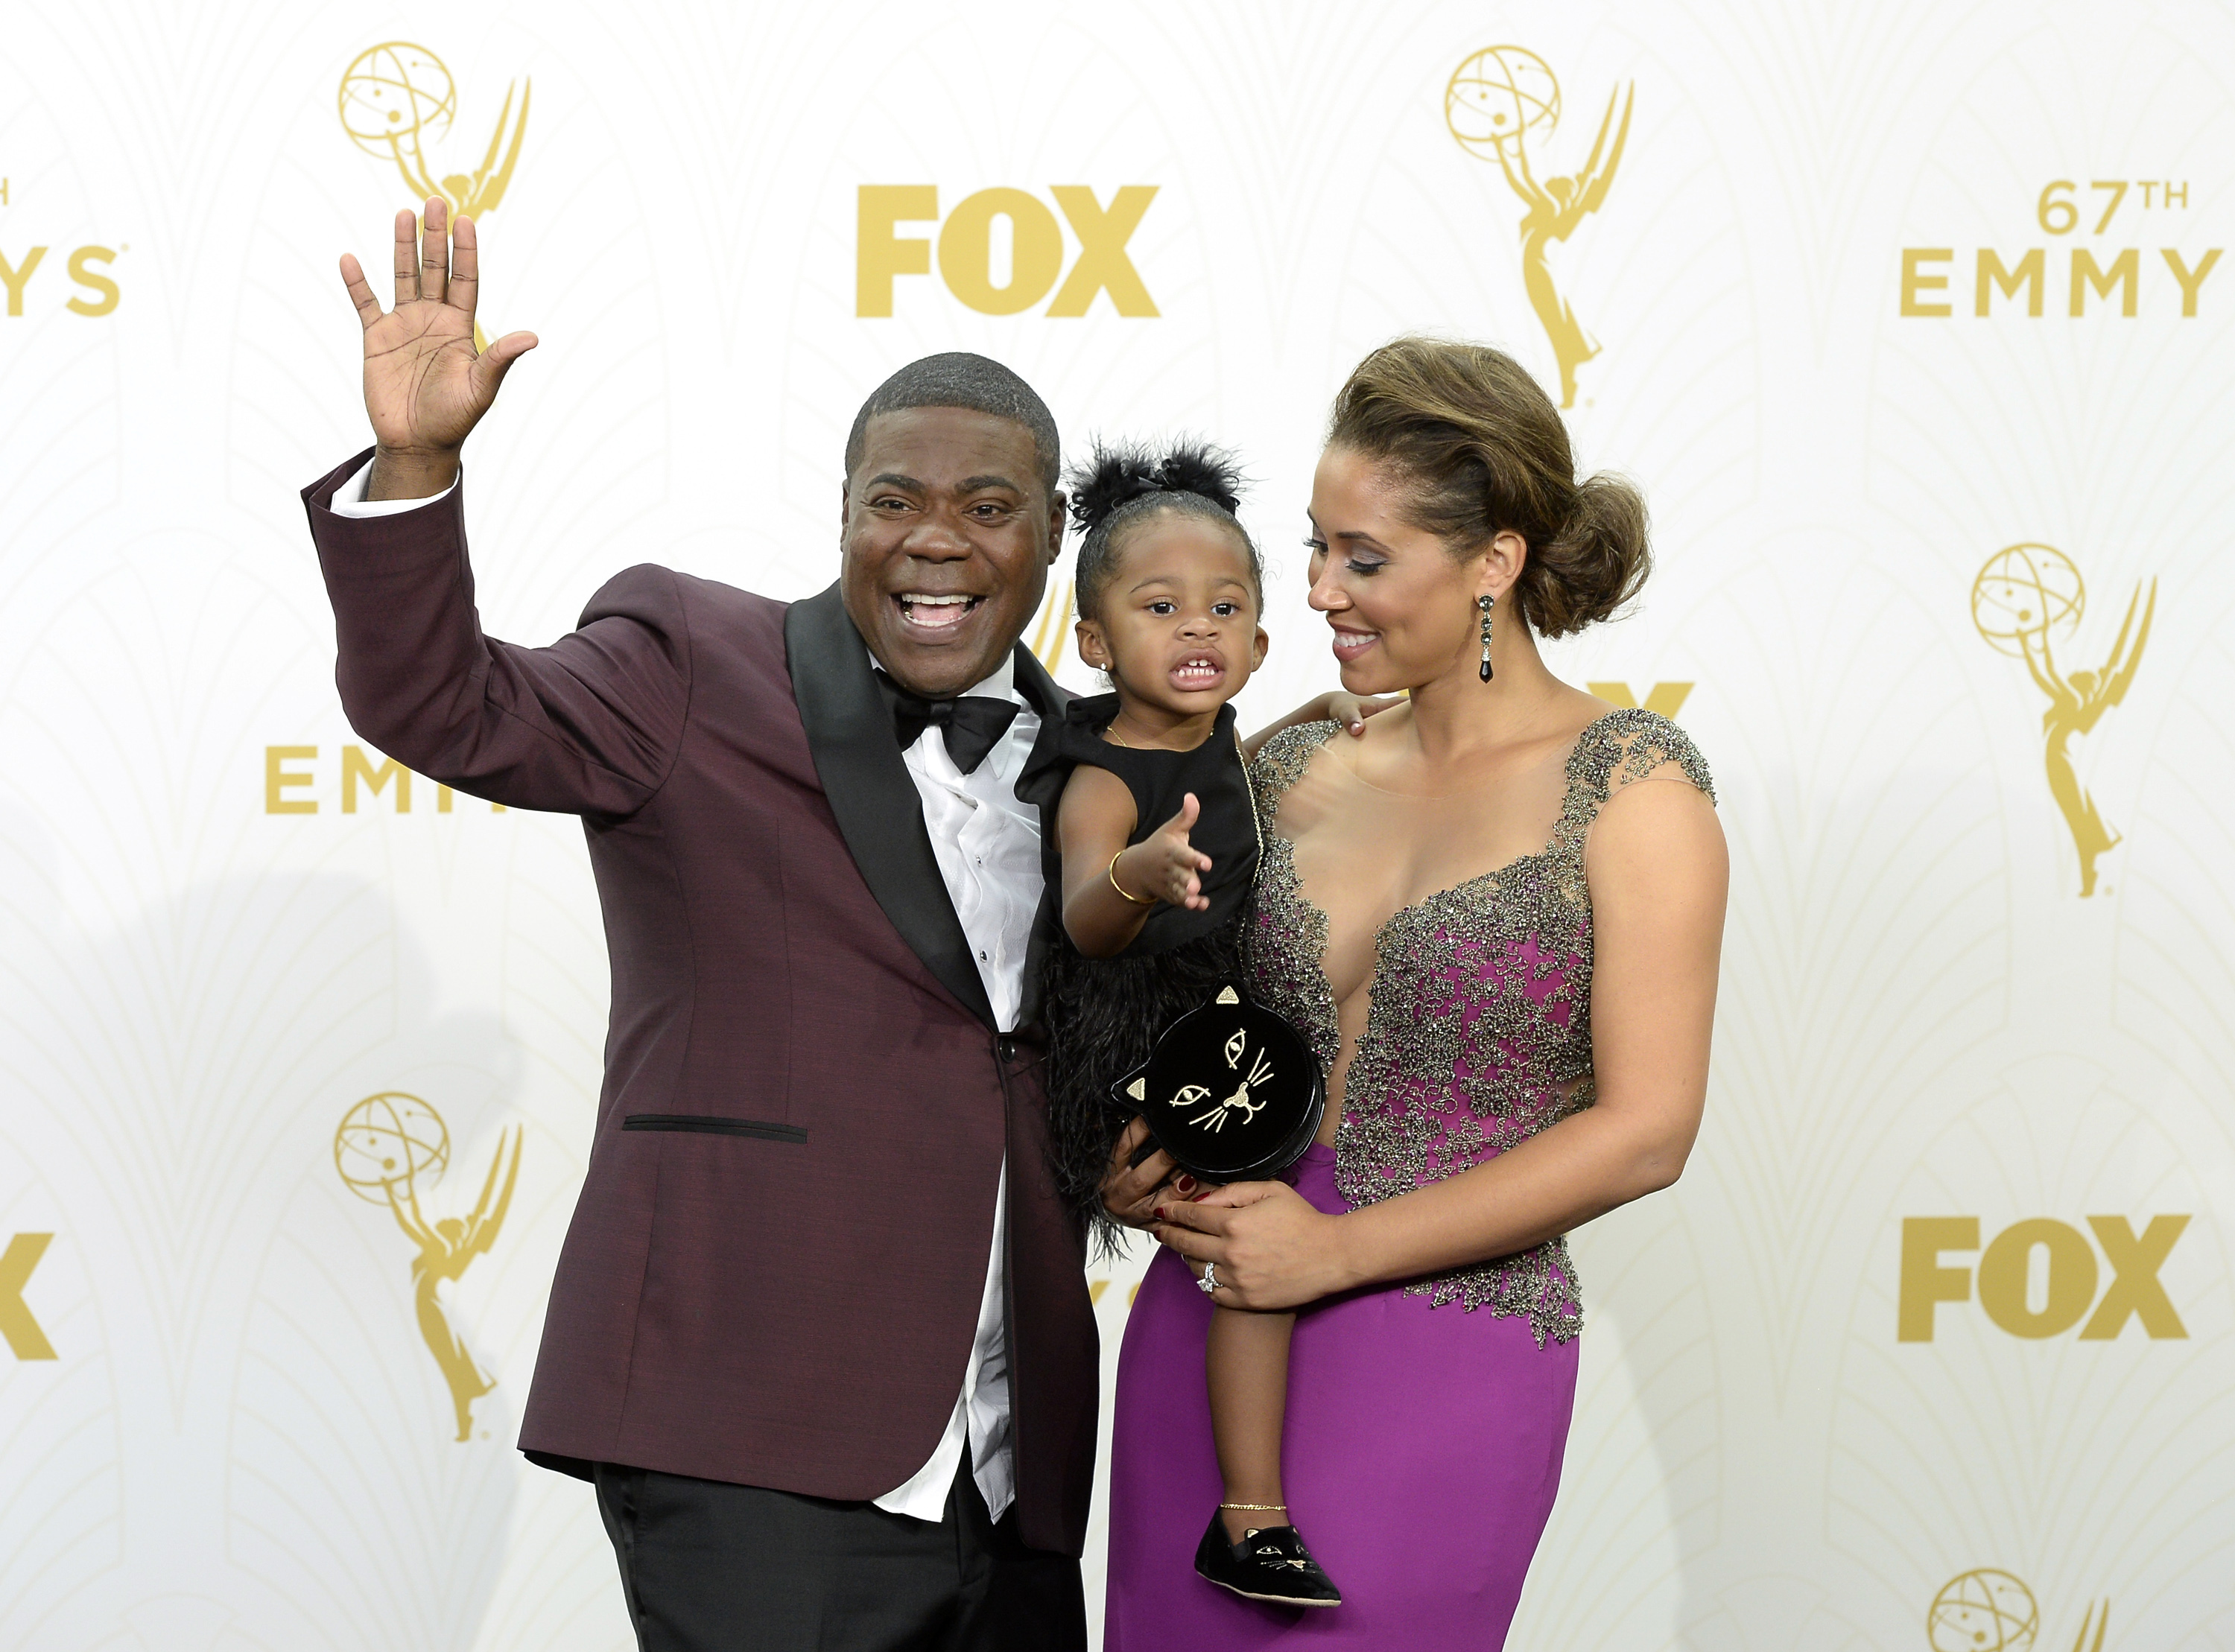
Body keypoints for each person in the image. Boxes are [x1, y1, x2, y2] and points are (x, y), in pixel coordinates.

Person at [306, 197, 1106, 1651]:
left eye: (989, 506)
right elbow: (450, 706)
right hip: (751, 1424)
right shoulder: (694, 658)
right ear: (845, 511)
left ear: (1054, 531)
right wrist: (418, 468)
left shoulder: (1100, 764)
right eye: (892, 500)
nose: (936, 538)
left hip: (1015, 1460)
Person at [1098, 337, 1730, 1648]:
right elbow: (1152, 983)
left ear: (1495, 560)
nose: (1321, 589)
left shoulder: (1635, 787)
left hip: (1444, 1343)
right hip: (1209, 1323)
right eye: (1317, 547)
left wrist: (1332, 1249)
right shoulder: (1292, 764)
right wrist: (1127, 1150)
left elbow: (1649, 1128)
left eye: (1365, 559)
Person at [1019, 441, 1346, 1612]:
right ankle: (1249, 1517)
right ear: (1096, 643)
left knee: (1260, 1236)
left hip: (1212, 1025)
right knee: (1249, 1252)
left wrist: (1308, 715)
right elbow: (1084, 914)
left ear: (1258, 642)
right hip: (1136, 1048)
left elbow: (1223, 780)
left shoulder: (1215, 736)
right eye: (1160, 607)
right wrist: (1138, 877)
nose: (1195, 625)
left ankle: (1253, 1501)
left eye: (1224, 606)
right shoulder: (1103, 772)